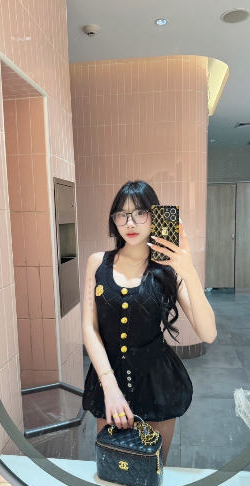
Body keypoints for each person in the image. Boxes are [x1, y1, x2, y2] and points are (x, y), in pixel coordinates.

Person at [81, 180, 217, 465]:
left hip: (157, 382)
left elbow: (208, 334)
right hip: (108, 380)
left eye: (140, 212)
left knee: (153, 470)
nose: (130, 222)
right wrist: (110, 388)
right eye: (122, 214)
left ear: (154, 216)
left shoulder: (168, 270)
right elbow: (90, 328)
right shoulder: (98, 263)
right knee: (112, 468)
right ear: (114, 220)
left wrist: (188, 271)